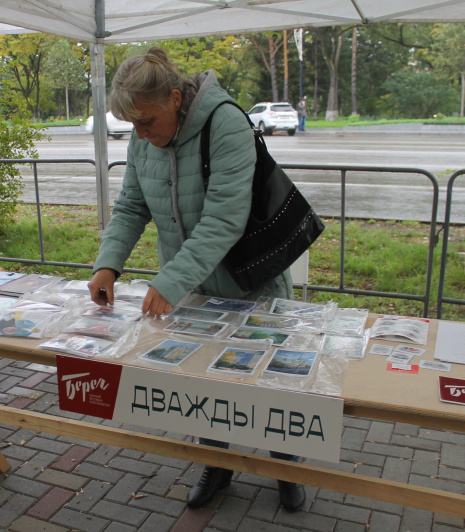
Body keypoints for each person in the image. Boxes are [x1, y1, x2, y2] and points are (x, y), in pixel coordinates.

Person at [87, 47, 306, 513]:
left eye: (147, 122)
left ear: (173, 97)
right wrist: (108, 264)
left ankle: (286, 464)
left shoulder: (224, 122)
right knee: (205, 380)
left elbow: (224, 221)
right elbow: (130, 206)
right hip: (196, 289)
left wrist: (170, 280)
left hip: (253, 282)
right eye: (134, 127)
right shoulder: (143, 135)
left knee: (268, 380)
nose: (142, 135)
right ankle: (217, 462)